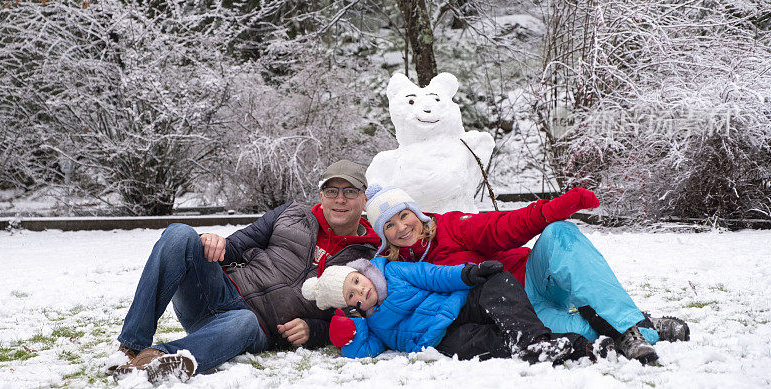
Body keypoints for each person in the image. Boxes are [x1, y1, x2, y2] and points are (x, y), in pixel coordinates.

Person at [111, 160, 381, 382]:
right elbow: (237, 245)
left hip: (256, 327)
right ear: (321, 195)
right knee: (180, 234)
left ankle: (155, 360)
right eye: (332, 191)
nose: (340, 199)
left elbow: (355, 316)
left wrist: (314, 329)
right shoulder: (292, 213)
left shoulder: (368, 256)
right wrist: (214, 243)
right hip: (218, 293)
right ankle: (131, 346)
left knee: (244, 321)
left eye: (350, 192)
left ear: (364, 199)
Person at [365, 184, 691, 364]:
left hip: (534, 277)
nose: (401, 227)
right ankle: (643, 328)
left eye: (403, 215)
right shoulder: (396, 269)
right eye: (389, 225)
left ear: (416, 212)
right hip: (521, 313)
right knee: (575, 331)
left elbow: (500, 227)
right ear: (383, 235)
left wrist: (551, 210)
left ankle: (627, 325)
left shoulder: (451, 227)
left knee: (559, 234)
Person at [301, 258, 607, 364]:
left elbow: (432, 275)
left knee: (498, 283)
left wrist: (468, 275)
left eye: (356, 281)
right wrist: (348, 334)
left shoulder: (393, 272)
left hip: (460, 304)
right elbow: (361, 352)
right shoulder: (370, 324)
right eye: (351, 296)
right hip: (443, 338)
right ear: (349, 307)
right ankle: (581, 348)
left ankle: (531, 340)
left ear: (361, 271)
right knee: (485, 343)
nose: (361, 291)